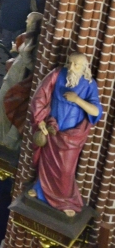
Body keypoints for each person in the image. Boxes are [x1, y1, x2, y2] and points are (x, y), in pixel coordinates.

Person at [28, 51, 102, 214]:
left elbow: (96, 112)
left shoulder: (90, 85)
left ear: (84, 67)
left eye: (76, 65)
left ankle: (65, 201)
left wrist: (77, 100)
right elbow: (40, 95)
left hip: (71, 135)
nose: (71, 67)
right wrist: (40, 119)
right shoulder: (57, 74)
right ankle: (40, 189)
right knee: (46, 161)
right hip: (52, 127)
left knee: (65, 169)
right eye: (70, 63)